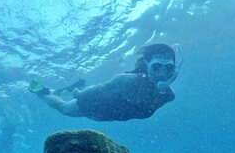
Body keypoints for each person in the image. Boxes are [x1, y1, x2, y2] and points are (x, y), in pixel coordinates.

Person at [29, 43, 180, 121]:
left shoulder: (169, 96)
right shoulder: (125, 80)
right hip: (97, 106)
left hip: (112, 113)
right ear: (146, 64)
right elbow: (100, 89)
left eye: (168, 69)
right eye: (156, 67)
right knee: (63, 109)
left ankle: (74, 87)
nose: (162, 74)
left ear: (175, 71)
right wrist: (79, 95)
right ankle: (42, 92)